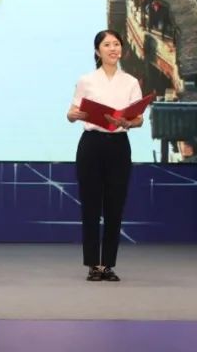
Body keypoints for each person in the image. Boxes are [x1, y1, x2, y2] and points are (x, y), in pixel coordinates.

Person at [66, 30, 142, 282]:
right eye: (107, 44)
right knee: (90, 205)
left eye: (117, 44)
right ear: (97, 51)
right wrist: (74, 115)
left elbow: (139, 118)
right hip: (91, 144)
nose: (113, 49)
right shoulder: (86, 80)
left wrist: (127, 122)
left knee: (114, 205)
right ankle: (93, 265)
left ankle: (108, 264)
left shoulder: (131, 81)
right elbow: (71, 112)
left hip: (119, 145)